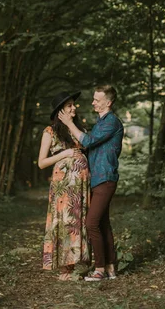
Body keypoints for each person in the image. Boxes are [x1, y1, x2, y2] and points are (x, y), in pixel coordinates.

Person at [59, 84, 123, 281]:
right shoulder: (101, 121)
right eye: (94, 98)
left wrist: (69, 123)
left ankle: (100, 269)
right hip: (97, 179)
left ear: (108, 102)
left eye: (97, 99)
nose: (93, 102)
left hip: (105, 178)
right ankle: (111, 267)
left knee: (91, 223)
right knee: (103, 223)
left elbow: (88, 141)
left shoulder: (111, 121)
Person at [38, 90, 91, 281]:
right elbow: (41, 162)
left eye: (73, 105)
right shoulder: (50, 132)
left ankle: (80, 263)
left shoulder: (79, 130)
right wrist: (65, 154)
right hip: (64, 185)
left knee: (80, 221)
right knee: (65, 221)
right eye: (69, 105)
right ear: (60, 111)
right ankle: (65, 267)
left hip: (81, 184)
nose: (73, 107)